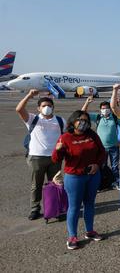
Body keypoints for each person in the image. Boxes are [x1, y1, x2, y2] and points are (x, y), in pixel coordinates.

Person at [52, 110, 106, 250]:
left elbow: (102, 152)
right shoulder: (66, 137)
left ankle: (90, 231)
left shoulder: (92, 135)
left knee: (89, 204)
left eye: (86, 121)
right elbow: (55, 159)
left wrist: (97, 164)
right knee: (74, 207)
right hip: (75, 177)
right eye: (80, 120)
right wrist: (58, 150)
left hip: (93, 175)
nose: (83, 123)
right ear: (73, 121)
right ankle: (72, 236)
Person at [16, 89, 65, 220]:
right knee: (36, 185)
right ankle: (35, 209)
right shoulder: (32, 119)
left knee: (55, 184)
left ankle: (55, 208)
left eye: (49, 105)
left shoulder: (60, 121)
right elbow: (19, 109)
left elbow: (66, 137)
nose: (47, 108)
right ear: (38, 108)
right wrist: (29, 95)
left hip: (55, 157)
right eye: (43, 106)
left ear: (53, 107)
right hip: (36, 157)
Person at [82, 97, 120, 189]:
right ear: (100, 110)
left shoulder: (115, 118)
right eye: (103, 108)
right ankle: (101, 183)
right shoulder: (97, 117)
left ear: (110, 109)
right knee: (101, 166)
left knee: (115, 166)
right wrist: (87, 102)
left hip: (114, 147)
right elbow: (83, 113)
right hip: (101, 148)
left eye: (106, 108)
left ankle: (115, 182)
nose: (105, 110)